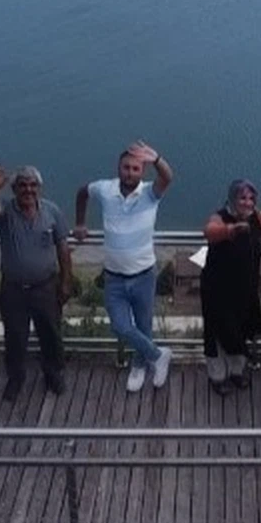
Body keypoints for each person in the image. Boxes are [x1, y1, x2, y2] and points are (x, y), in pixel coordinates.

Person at [74, 141, 175, 393]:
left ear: (142, 172)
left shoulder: (151, 193)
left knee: (144, 325)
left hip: (143, 275)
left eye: (136, 169)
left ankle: (140, 365)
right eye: (126, 167)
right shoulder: (105, 189)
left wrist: (157, 159)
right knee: (120, 325)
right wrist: (79, 223)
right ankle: (158, 355)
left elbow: (168, 177)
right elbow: (82, 192)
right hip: (114, 277)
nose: (130, 172)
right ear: (118, 168)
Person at [0, 164, 73, 401]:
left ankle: (53, 374)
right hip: (13, 290)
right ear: (14, 189)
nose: (28, 190)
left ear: (39, 188)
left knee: (51, 334)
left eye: (33, 185)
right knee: (15, 337)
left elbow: (63, 248)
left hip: (46, 287)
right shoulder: (5, 213)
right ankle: (15, 379)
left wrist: (65, 281)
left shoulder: (52, 211)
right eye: (22, 185)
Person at [200, 180, 261, 395]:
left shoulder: (258, 217)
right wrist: (231, 230)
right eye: (242, 198)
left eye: (251, 198)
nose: (247, 203)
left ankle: (237, 372)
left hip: (245, 288)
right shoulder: (221, 216)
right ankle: (217, 377)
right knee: (218, 332)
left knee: (242, 329)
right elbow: (209, 231)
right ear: (232, 199)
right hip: (217, 289)